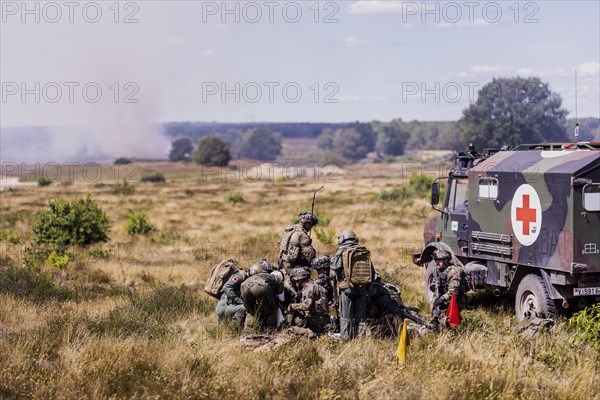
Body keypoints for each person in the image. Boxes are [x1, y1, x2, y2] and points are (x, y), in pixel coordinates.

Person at [330, 229, 375, 341]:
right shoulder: (362, 251)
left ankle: (346, 340)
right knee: (361, 318)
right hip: (362, 288)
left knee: (346, 317)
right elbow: (372, 272)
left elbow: (334, 267)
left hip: (347, 288)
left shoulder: (342, 251)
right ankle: (361, 339)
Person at [430, 249, 469, 328]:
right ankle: (436, 321)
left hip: (457, 299)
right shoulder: (438, 271)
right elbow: (433, 283)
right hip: (445, 296)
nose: (437, 263)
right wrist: (435, 289)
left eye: (440, 260)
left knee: (449, 320)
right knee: (435, 308)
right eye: (436, 260)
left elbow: (453, 292)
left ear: (446, 261)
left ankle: (455, 327)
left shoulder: (453, 272)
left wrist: (441, 299)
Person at [241, 263, 285, 333]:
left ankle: (247, 332)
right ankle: (270, 331)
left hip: (244, 285)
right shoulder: (277, 278)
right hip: (260, 285)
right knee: (270, 311)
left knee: (251, 312)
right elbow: (281, 298)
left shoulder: (259, 275)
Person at [287, 268, 330, 335]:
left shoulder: (309, 288)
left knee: (294, 326)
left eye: (296, 281)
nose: (296, 283)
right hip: (321, 318)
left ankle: (310, 332)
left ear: (299, 279)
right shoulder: (312, 286)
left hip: (317, 320)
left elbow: (306, 305)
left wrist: (292, 306)